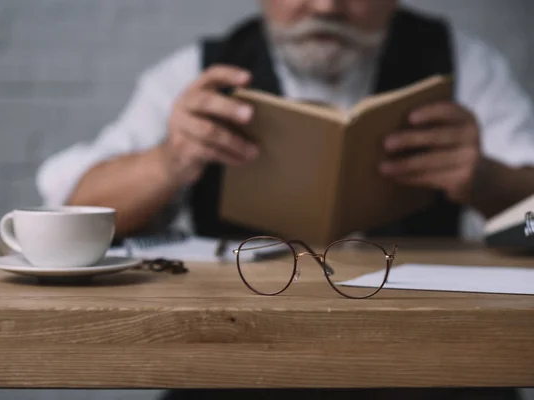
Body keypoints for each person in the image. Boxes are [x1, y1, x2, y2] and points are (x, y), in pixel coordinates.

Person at [36, 1, 531, 398]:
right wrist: (168, 161)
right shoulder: (195, 71)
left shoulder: (462, 62)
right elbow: (72, 199)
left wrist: (485, 177)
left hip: (425, 358)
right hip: (238, 353)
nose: (325, 6)